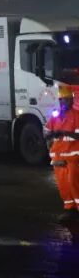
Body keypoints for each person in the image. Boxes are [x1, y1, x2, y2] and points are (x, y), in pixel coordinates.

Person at [47, 85, 79, 221]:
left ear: (72, 100)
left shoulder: (77, 116)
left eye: (66, 99)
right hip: (58, 157)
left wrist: (64, 133)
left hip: (73, 157)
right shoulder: (55, 116)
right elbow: (47, 133)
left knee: (74, 183)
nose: (64, 102)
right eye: (61, 100)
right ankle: (69, 210)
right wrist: (51, 134)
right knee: (63, 185)